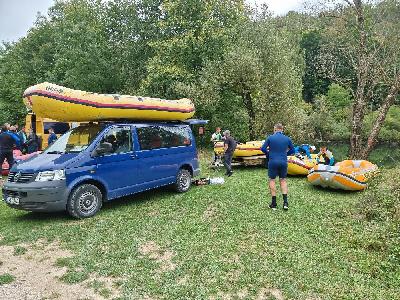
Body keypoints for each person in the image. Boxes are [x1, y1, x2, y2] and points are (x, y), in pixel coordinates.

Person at [261, 123, 295, 210]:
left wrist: (269, 154)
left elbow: (263, 148)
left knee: (272, 180)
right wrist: (285, 154)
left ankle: (274, 203)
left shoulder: (270, 137)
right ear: (282, 130)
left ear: (275, 129)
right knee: (283, 180)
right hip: (283, 161)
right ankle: (285, 203)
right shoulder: (287, 138)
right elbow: (293, 150)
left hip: (273, 161)